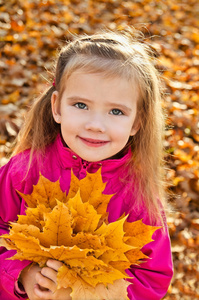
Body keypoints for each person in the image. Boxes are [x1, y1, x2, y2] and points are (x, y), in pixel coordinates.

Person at [0, 28, 173, 300]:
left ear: (137, 122)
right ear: (57, 107)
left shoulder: (138, 196)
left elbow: (152, 278)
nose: (95, 124)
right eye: (80, 105)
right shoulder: (24, 169)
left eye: (116, 111)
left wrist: (82, 294)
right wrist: (21, 274)